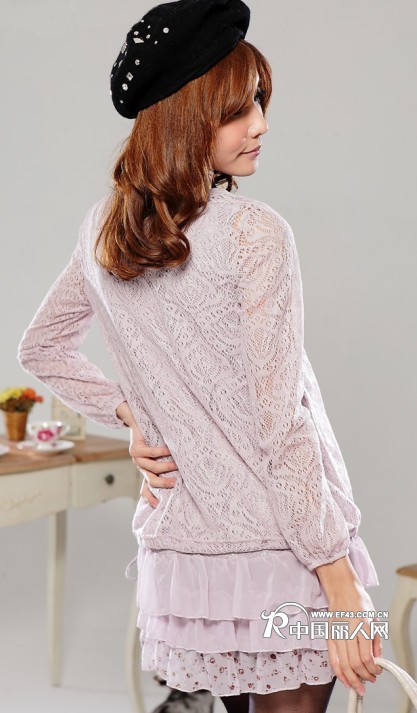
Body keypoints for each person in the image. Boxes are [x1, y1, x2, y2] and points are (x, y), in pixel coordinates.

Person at [17, 1, 384, 711]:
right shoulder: (255, 233)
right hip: (286, 559)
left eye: (260, 103)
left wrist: (131, 414)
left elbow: (42, 346)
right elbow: (280, 424)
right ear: (185, 116)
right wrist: (338, 577)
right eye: (237, 110)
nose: (260, 125)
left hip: (189, 569)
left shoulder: (103, 229)